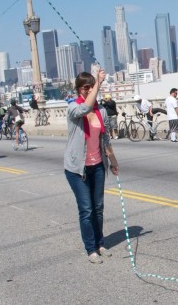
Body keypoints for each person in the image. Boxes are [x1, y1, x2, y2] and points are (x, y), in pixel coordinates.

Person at [64, 70, 119, 264]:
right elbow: (84, 109)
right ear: (79, 89)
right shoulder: (73, 108)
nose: (88, 90)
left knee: (98, 208)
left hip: (97, 166)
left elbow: (104, 137)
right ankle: (90, 249)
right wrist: (99, 83)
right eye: (85, 87)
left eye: (90, 86)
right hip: (77, 169)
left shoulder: (101, 111)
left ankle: (100, 243)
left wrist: (113, 160)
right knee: (86, 209)